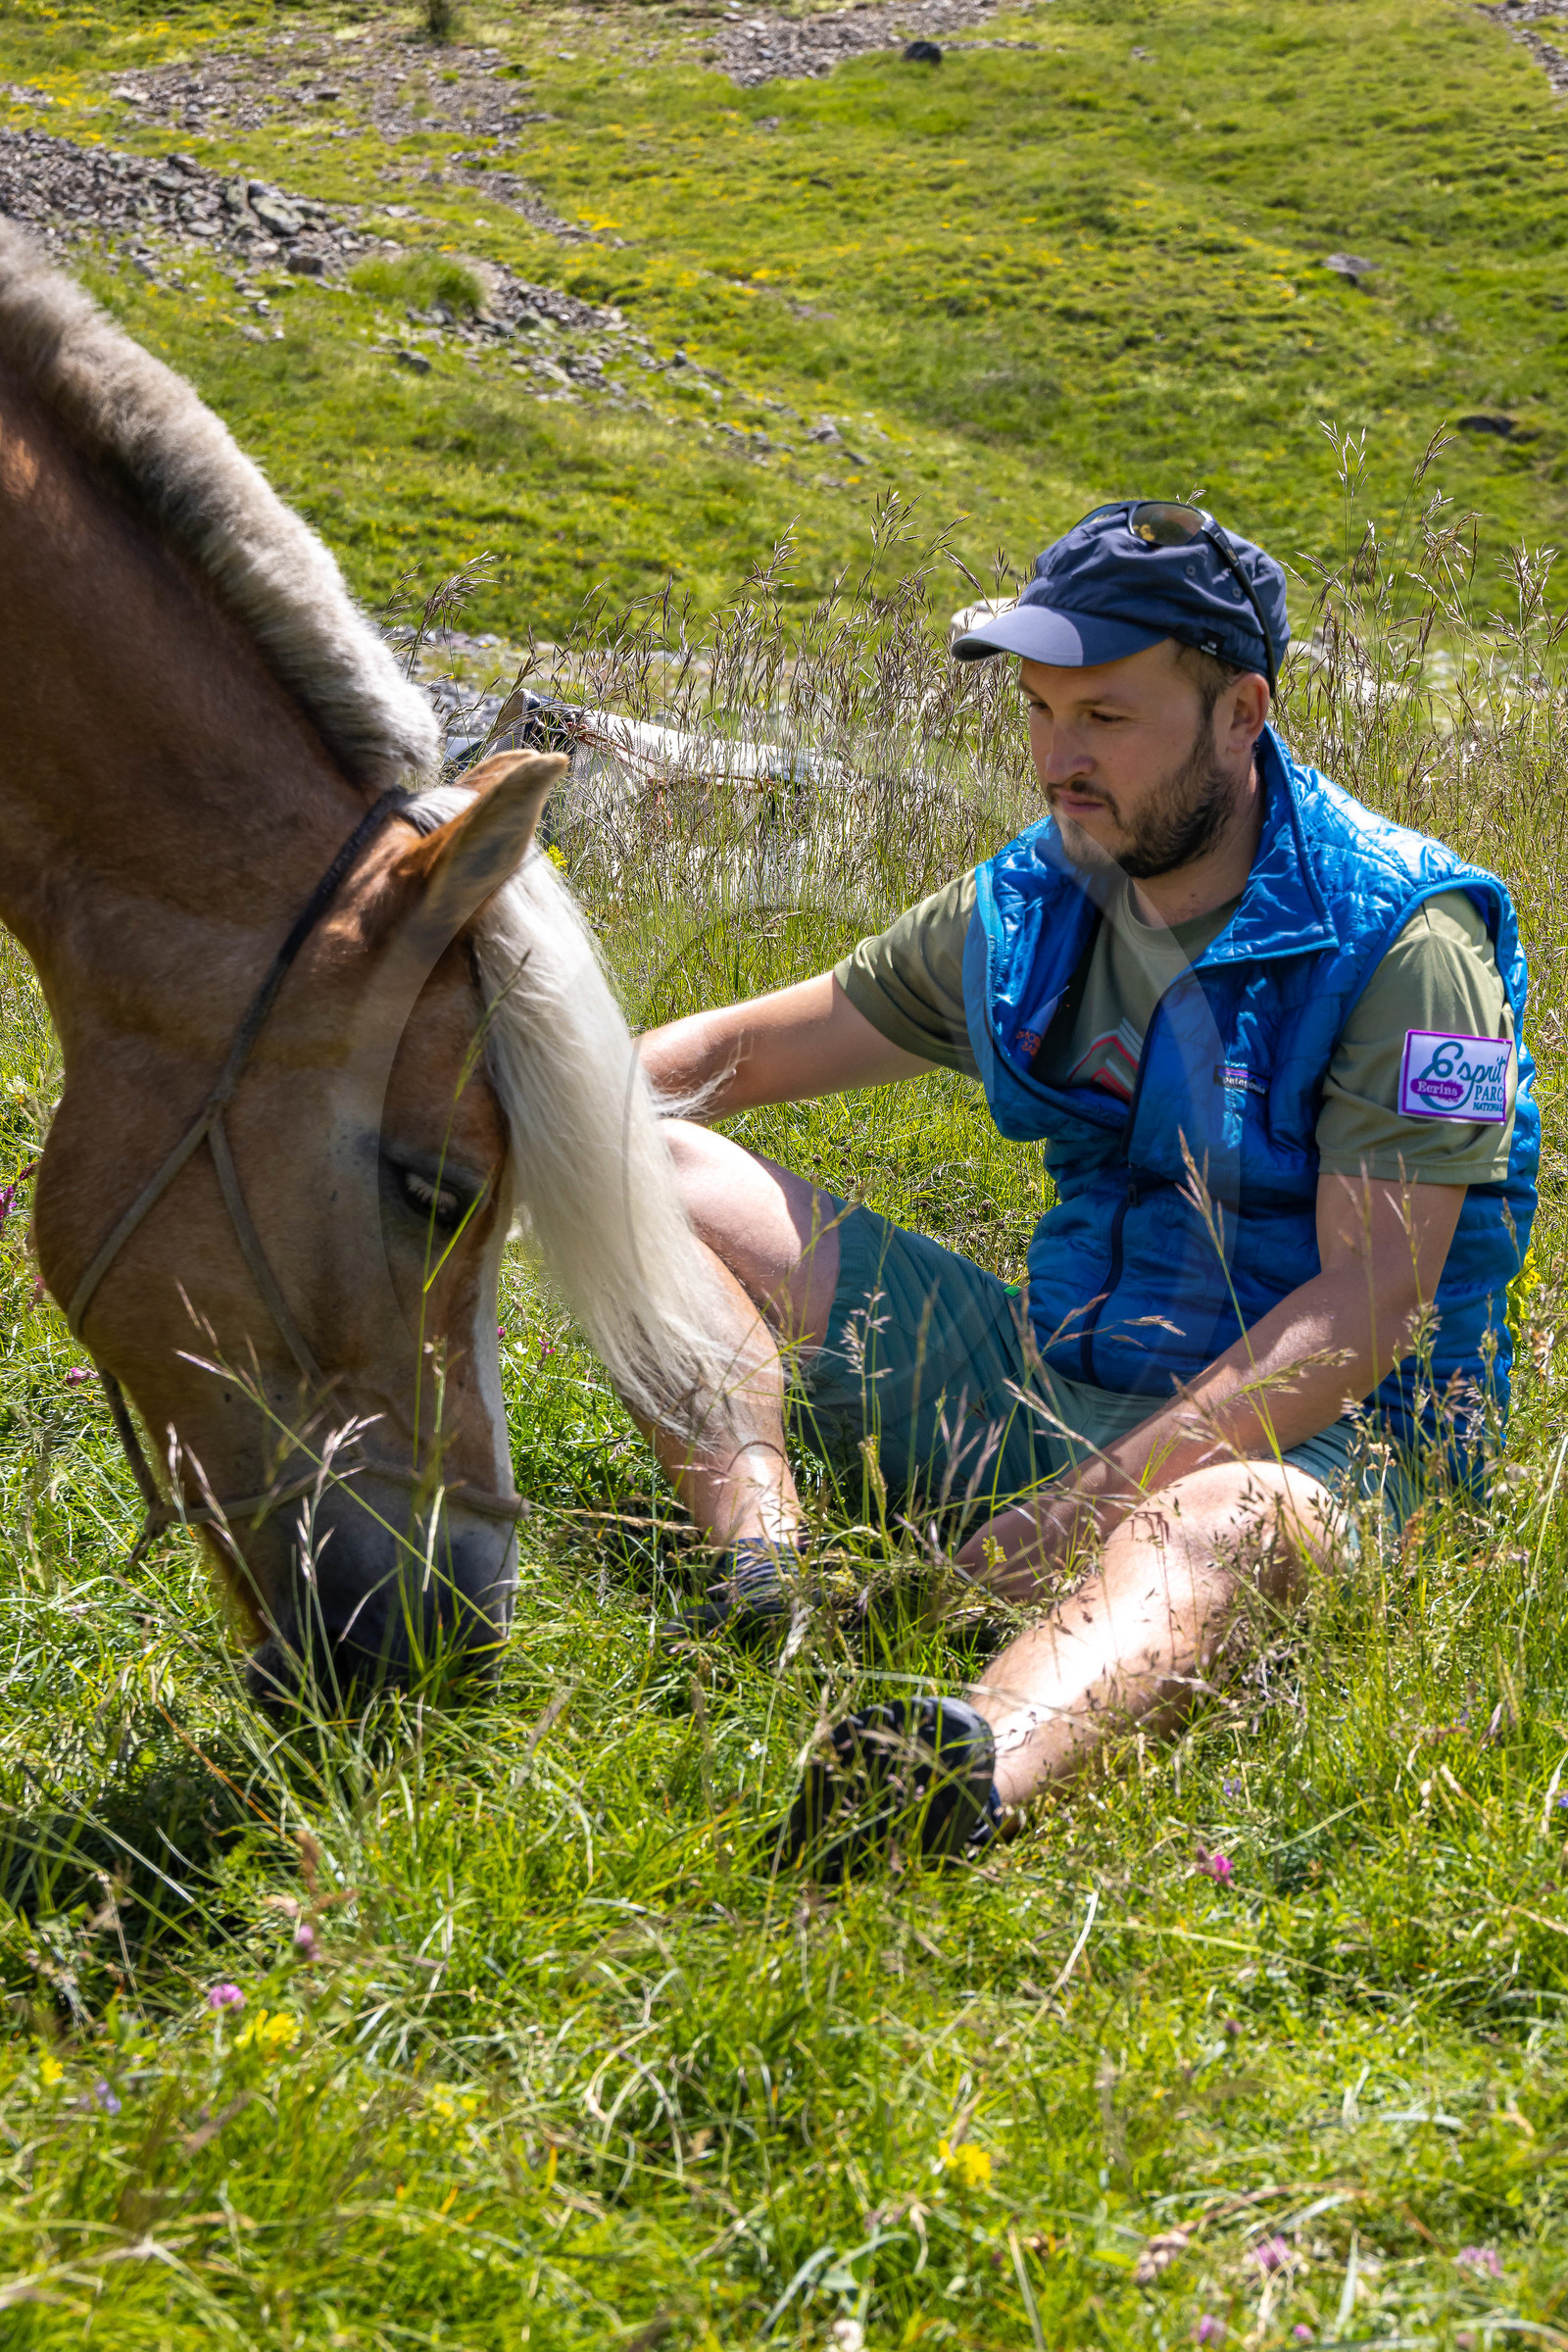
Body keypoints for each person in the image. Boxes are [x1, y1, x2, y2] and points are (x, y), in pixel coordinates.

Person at [636, 500, 1538, 1873]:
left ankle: (952, 1773)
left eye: (1106, 718)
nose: (1060, 759)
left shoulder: (1406, 943)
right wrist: (515, 1095)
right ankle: (766, 1576)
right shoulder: (1034, 898)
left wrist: (1070, 1518)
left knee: (1220, 1523)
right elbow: (739, 1053)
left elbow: (1370, 1306)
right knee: (642, 1158)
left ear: (1241, 714)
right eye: (1042, 713)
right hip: (1044, 1382)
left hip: (1319, 1456)